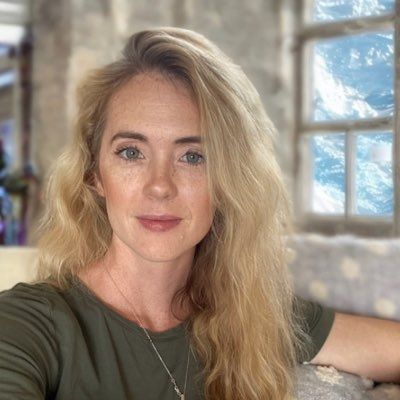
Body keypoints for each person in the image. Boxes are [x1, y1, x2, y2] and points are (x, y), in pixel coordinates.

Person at [0, 27, 399, 400]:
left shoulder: (255, 315)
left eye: (193, 156)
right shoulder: (26, 326)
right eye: (131, 152)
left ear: (227, 181)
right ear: (94, 175)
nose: (160, 186)